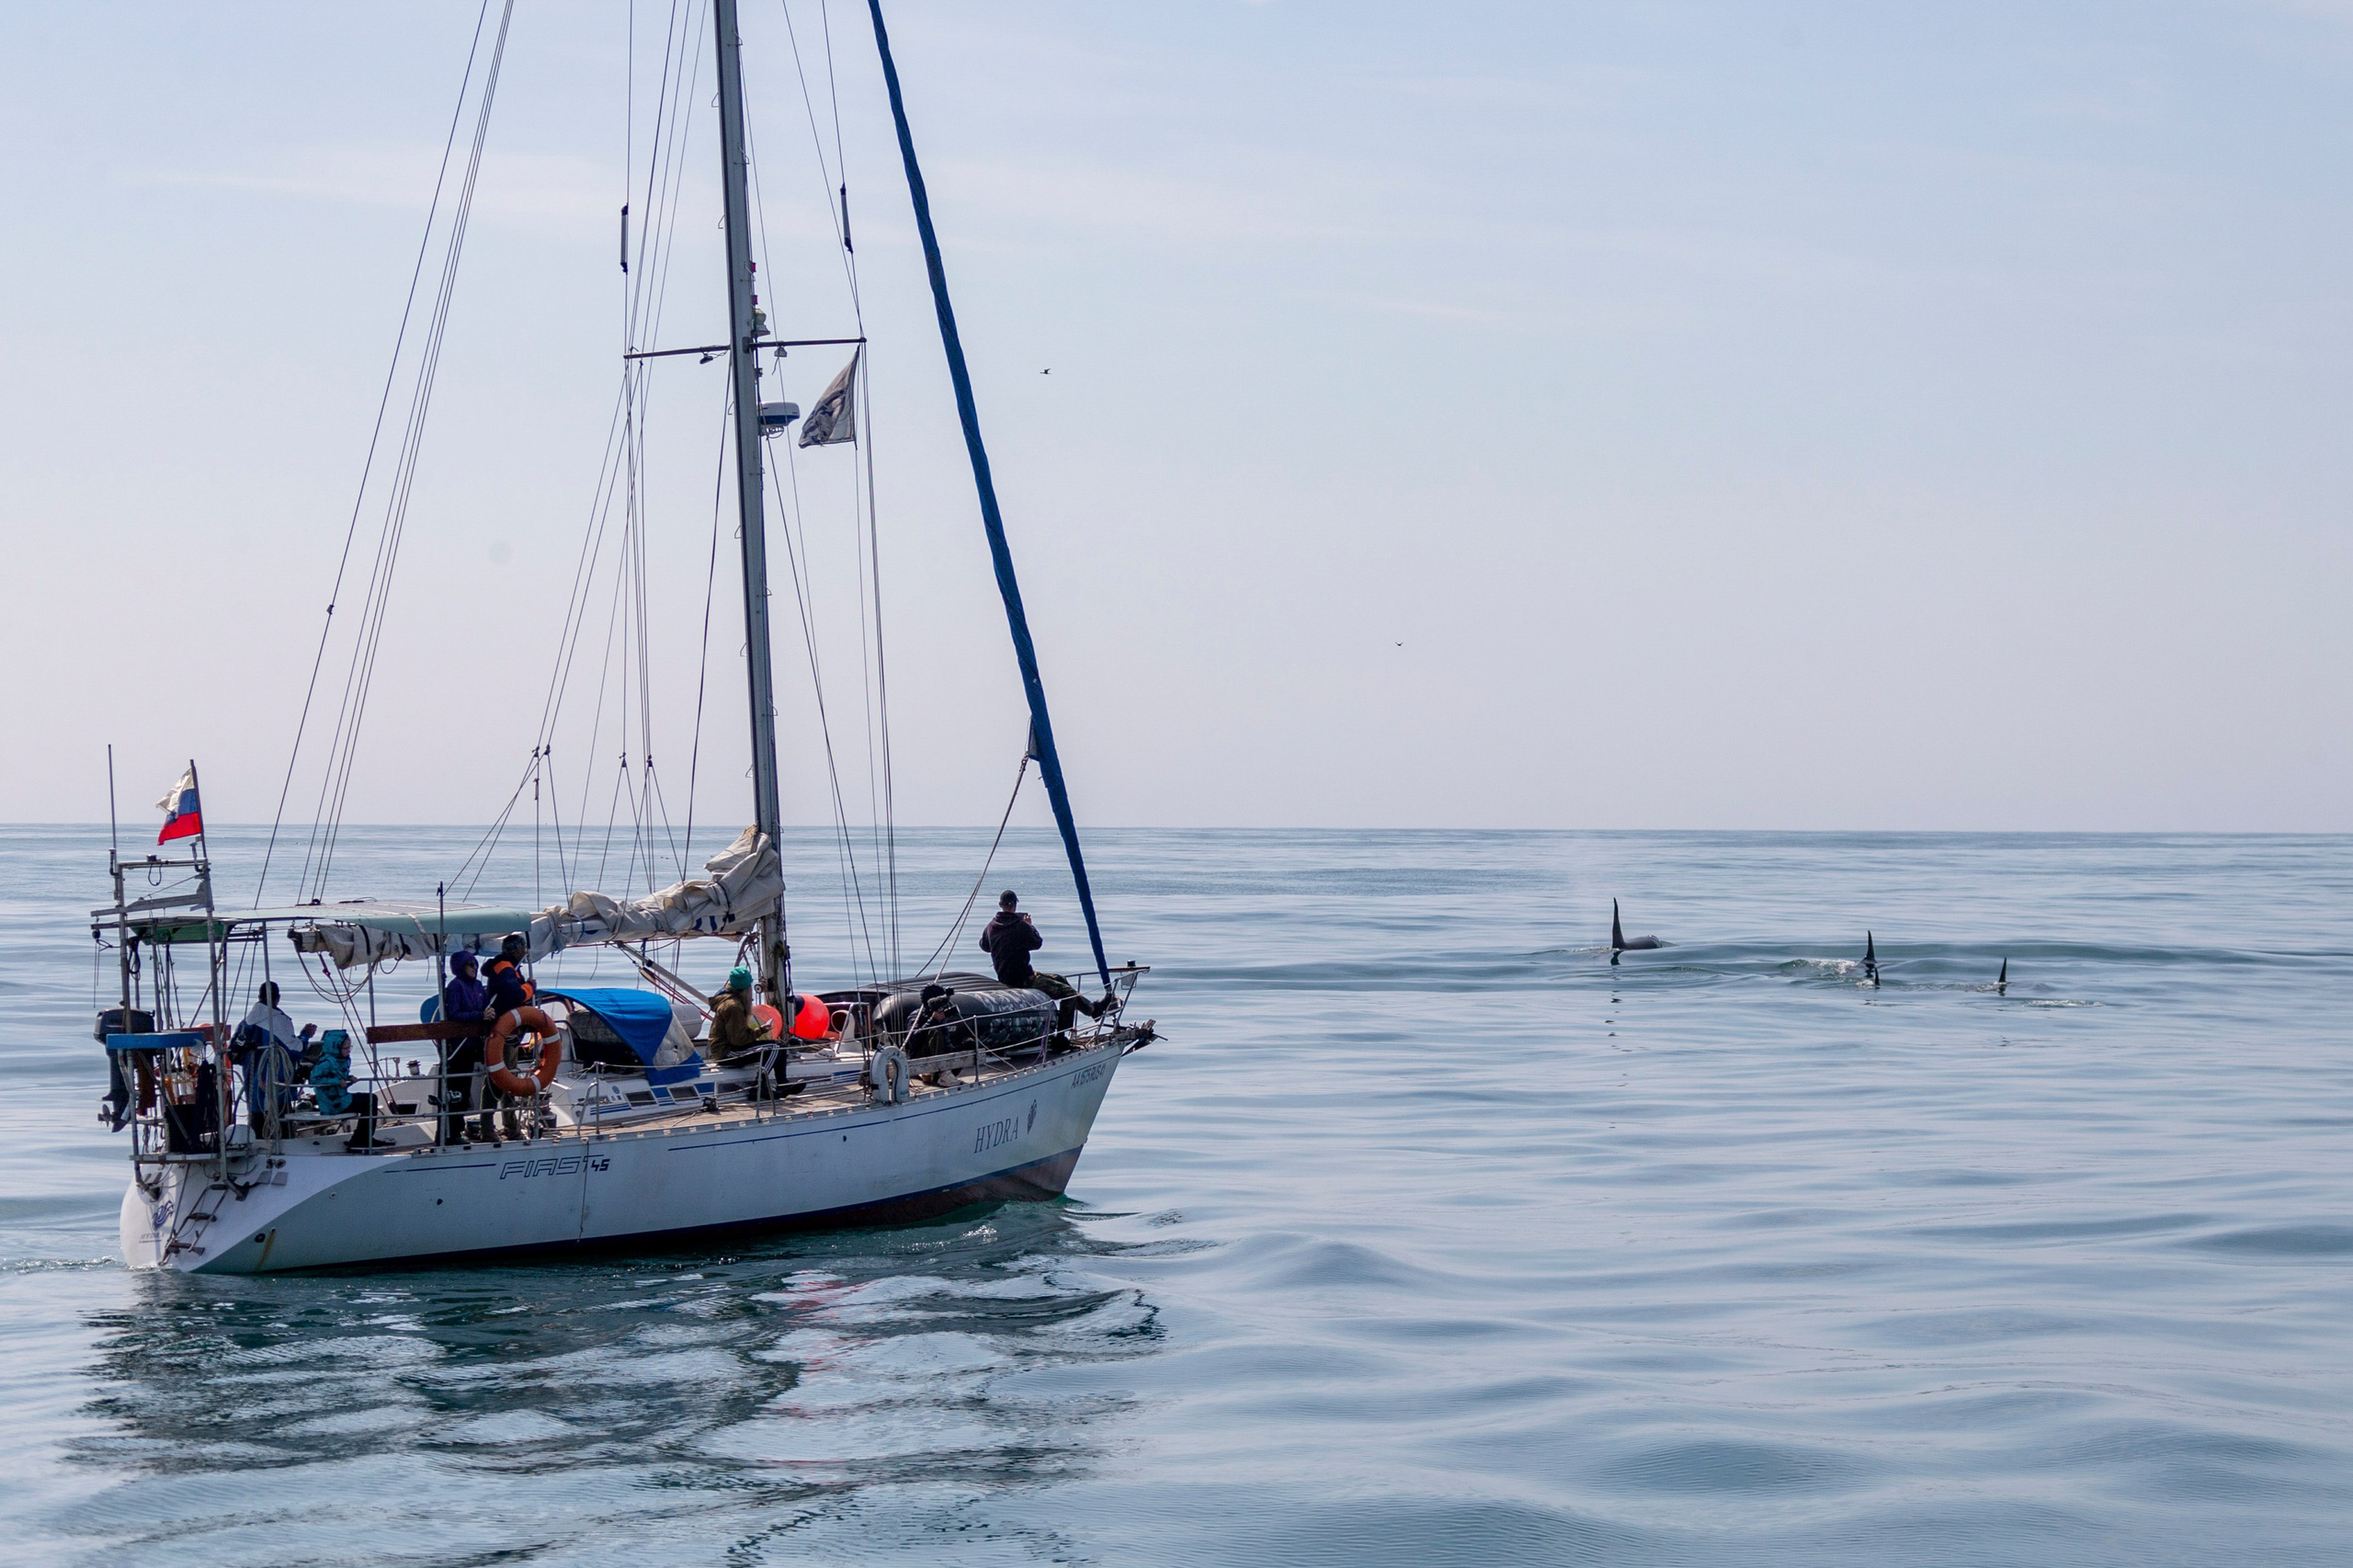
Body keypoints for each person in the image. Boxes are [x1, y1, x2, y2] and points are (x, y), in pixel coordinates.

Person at [979, 892, 1104, 1022]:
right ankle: (1062, 1036)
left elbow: (984, 946)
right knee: (1069, 994)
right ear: (1015, 905)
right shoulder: (1021, 926)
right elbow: (1037, 943)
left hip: (1006, 976)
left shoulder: (991, 927)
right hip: (1023, 980)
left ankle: (1092, 1009)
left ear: (1000, 905)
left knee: (1060, 979)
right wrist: (1030, 926)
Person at [236, 981, 316, 1130]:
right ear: (277, 998)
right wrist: (305, 1036)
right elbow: (294, 1051)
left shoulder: (245, 1023)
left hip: (252, 1082)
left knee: (257, 1116)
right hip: (276, 1084)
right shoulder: (278, 1021)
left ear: (259, 997)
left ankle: (256, 1138)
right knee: (280, 1119)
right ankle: (282, 1141)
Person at [437, 952, 489, 1144]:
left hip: (473, 1045)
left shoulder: (477, 986)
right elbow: (454, 1013)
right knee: (455, 1090)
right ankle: (450, 1132)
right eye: (469, 964)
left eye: (475, 964)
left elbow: (484, 1006)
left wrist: (487, 1013)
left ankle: (458, 1129)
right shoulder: (455, 986)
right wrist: (480, 1014)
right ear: (460, 967)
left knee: (465, 1090)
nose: (474, 967)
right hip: (458, 1046)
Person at [309, 1029, 386, 1151]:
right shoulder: (326, 1062)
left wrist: (349, 1079)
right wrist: (337, 1081)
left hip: (340, 1098)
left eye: (349, 1048)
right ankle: (361, 1139)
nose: (348, 1051)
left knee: (370, 1099)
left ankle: (363, 1137)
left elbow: (340, 1078)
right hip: (331, 1103)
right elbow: (314, 1080)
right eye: (345, 1048)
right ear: (336, 1047)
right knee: (369, 1101)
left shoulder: (342, 1060)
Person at [708, 966, 774, 1062]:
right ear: (747, 988)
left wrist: (761, 1030)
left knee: (775, 1046)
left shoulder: (728, 1000)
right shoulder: (734, 1007)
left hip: (722, 1049)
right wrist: (760, 1031)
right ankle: (764, 1077)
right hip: (726, 1052)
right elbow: (738, 1040)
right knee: (776, 1048)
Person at [483, 933, 534, 1019]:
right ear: (518, 951)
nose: (525, 952)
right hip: (503, 1016)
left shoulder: (506, 966)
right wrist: (530, 986)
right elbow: (515, 996)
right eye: (523, 949)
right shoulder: (505, 969)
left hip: (503, 1014)